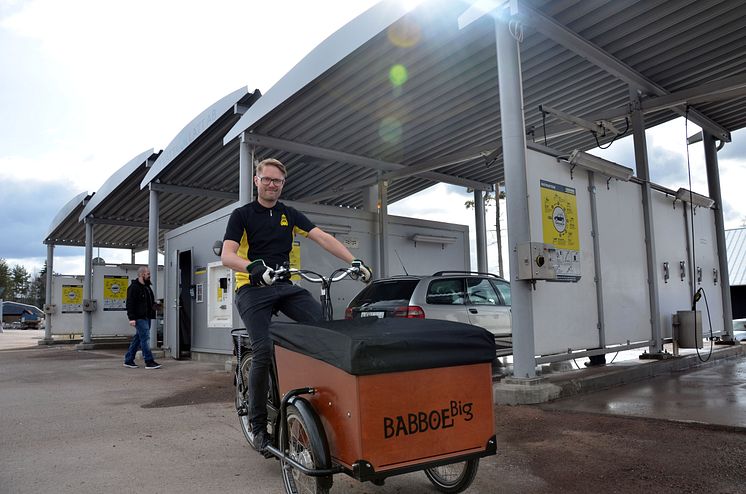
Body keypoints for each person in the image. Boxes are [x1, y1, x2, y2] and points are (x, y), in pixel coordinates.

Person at [221, 158, 371, 455]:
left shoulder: (288, 214)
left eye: (277, 181)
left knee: (323, 328)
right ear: (256, 180)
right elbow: (228, 255)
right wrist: (252, 268)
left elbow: (322, 237)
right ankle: (257, 424)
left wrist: (353, 261)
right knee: (263, 349)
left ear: (283, 184)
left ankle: (320, 402)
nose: (272, 185)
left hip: (284, 285)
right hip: (251, 288)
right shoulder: (242, 215)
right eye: (267, 179)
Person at [123, 266, 162, 369]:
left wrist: (156, 306)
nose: (149, 275)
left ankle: (128, 360)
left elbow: (149, 302)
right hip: (139, 317)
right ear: (141, 274)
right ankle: (149, 361)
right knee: (145, 338)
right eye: (148, 273)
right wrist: (131, 318)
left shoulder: (147, 287)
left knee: (138, 338)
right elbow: (130, 304)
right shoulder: (133, 288)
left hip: (147, 316)